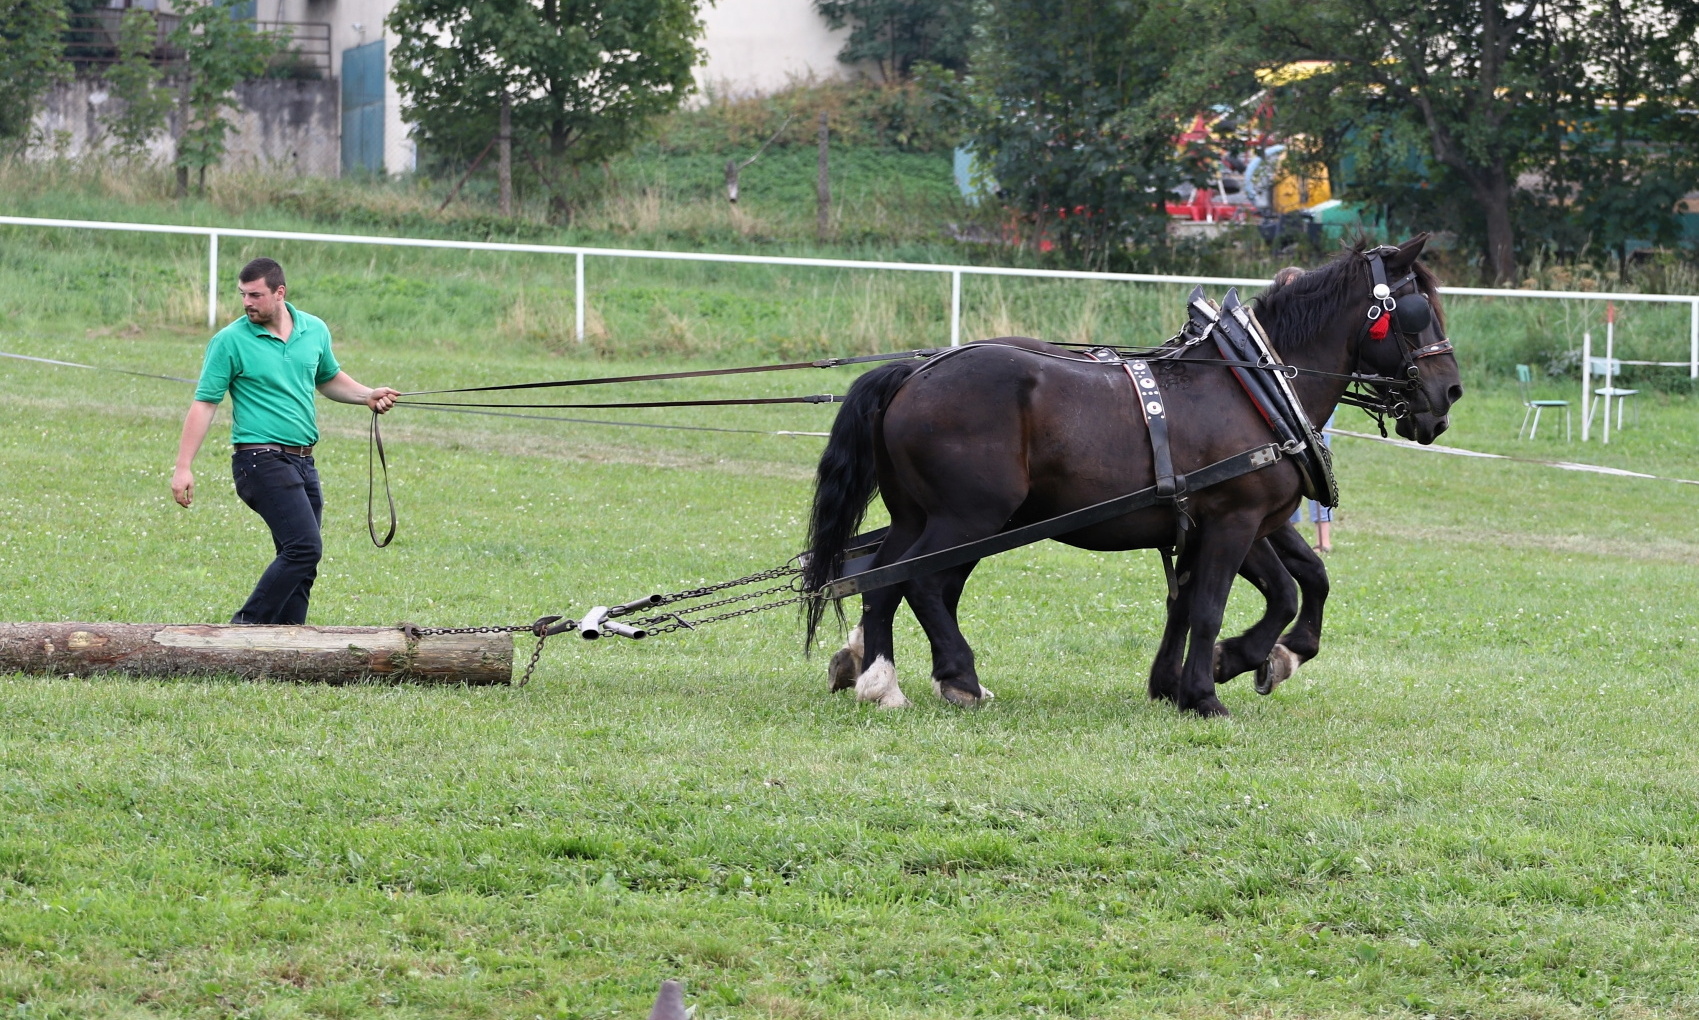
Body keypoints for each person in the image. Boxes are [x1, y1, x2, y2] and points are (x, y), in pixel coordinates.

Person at [171, 257, 400, 624]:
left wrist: (367, 395)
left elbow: (327, 378)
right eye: (243, 294)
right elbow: (204, 404)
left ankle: (290, 643)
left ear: (280, 293)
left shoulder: (314, 330)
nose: (247, 302)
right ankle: (242, 630)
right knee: (304, 548)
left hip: (303, 462)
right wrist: (183, 467)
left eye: (255, 295)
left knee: (301, 559)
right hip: (259, 460)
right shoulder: (229, 341)